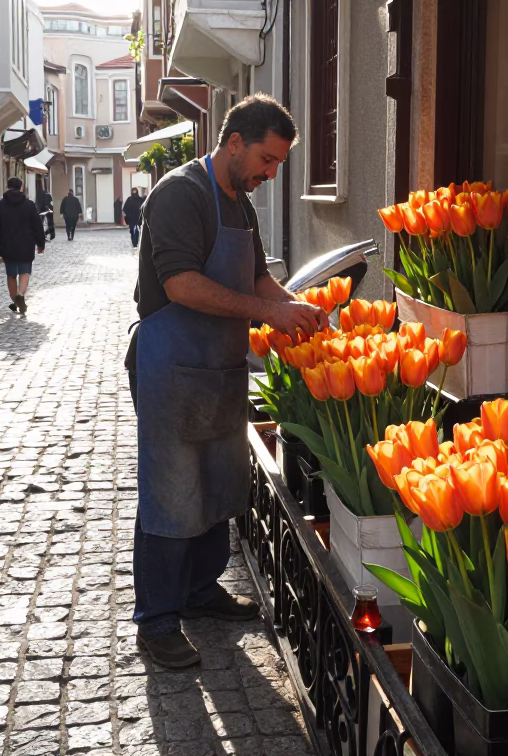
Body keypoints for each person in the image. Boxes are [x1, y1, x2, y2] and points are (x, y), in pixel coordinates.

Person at [124, 94, 327, 669]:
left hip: (221, 369)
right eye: (268, 159)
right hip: (171, 365)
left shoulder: (240, 202)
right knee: (170, 494)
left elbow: (259, 277)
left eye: (279, 164)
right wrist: (269, 315)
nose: (271, 173)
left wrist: (300, 309)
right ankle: (158, 620)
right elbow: (183, 284)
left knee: (218, 483)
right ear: (234, 142)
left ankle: (199, 591)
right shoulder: (180, 194)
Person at [0, 177, 46, 314]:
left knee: (11, 274)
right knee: (25, 271)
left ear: (7, 187)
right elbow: (37, 226)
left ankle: (15, 300)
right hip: (26, 244)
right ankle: (20, 294)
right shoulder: (29, 205)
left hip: (7, 245)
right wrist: (40, 243)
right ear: (21, 187)